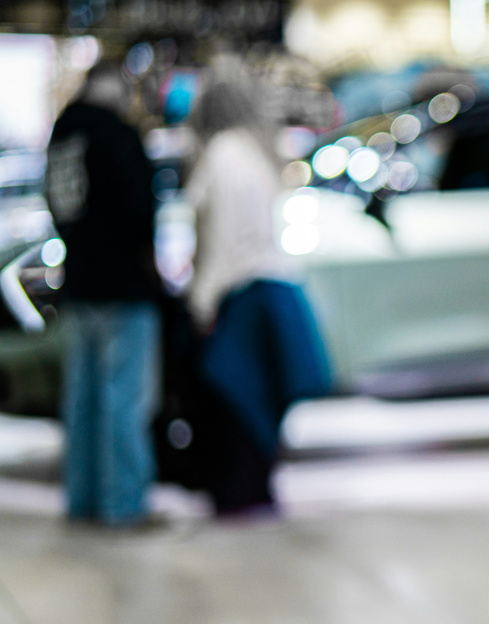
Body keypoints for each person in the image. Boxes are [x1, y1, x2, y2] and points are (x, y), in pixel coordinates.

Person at [186, 79, 330, 515]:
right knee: (259, 400)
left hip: (240, 294)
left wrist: (201, 302)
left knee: (234, 397)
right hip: (270, 288)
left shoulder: (221, 157)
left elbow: (224, 242)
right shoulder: (256, 153)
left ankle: (239, 494)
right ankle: (256, 489)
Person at [45, 62, 162, 527]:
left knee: (83, 401)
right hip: (124, 287)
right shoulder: (118, 135)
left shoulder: (63, 135)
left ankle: (82, 500)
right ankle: (124, 506)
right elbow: (140, 212)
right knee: (125, 400)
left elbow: (57, 205)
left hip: (79, 282)